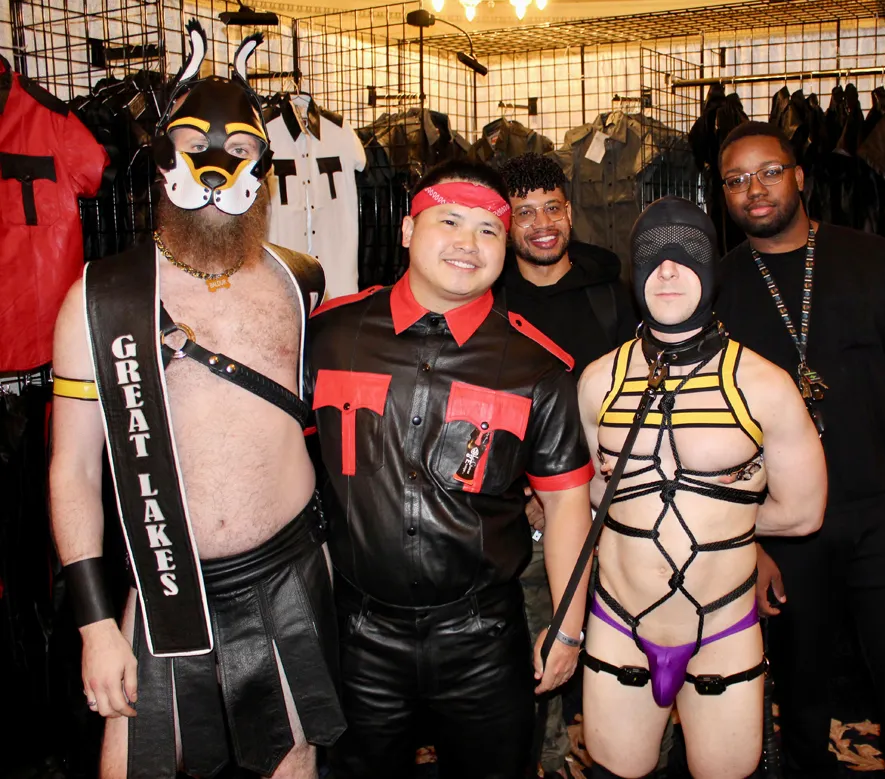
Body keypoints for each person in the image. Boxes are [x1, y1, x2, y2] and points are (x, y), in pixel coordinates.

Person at [48, 24, 344, 779]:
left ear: (264, 169)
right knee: (135, 764)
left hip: (290, 575)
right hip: (166, 585)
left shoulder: (298, 281)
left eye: (241, 149)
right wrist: (94, 624)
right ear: (161, 159)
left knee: (292, 763)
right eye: (194, 144)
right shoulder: (100, 298)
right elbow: (73, 469)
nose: (217, 166)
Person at [308, 159, 595, 779]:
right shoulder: (326, 336)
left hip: (483, 642)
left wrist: (568, 628)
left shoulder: (537, 367)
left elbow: (569, 502)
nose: (469, 242)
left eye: (489, 230)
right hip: (357, 636)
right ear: (408, 231)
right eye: (450, 221)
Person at [714, 121, 885, 779]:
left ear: (799, 176)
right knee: (799, 687)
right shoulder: (715, 289)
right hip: (783, 524)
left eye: (769, 171)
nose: (754, 189)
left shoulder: (874, 259)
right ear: (724, 194)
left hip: (884, 510)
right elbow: (713, 431)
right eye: (736, 180)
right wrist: (748, 543)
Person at [576, 195, 828, 779]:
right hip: (618, 625)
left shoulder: (764, 385)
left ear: (711, 266)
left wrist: (720, 514)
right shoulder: (597, 382)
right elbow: (586, 497)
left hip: (723, 629)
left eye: (687, 253)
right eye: (651, 255)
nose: (668, 270)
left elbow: (805, 512)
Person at [497, 152, 640, 778]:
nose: (542, 224)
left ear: (571, 212)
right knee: (537, 649)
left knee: (625, 645)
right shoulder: (491, 299)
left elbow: (635, 395)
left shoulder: (609, 292)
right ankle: (547, 758)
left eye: (552, 208)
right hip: (530, 515)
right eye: (525, 213)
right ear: (506, 223)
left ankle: (630, 757)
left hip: (615, 504)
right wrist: (532, 491)